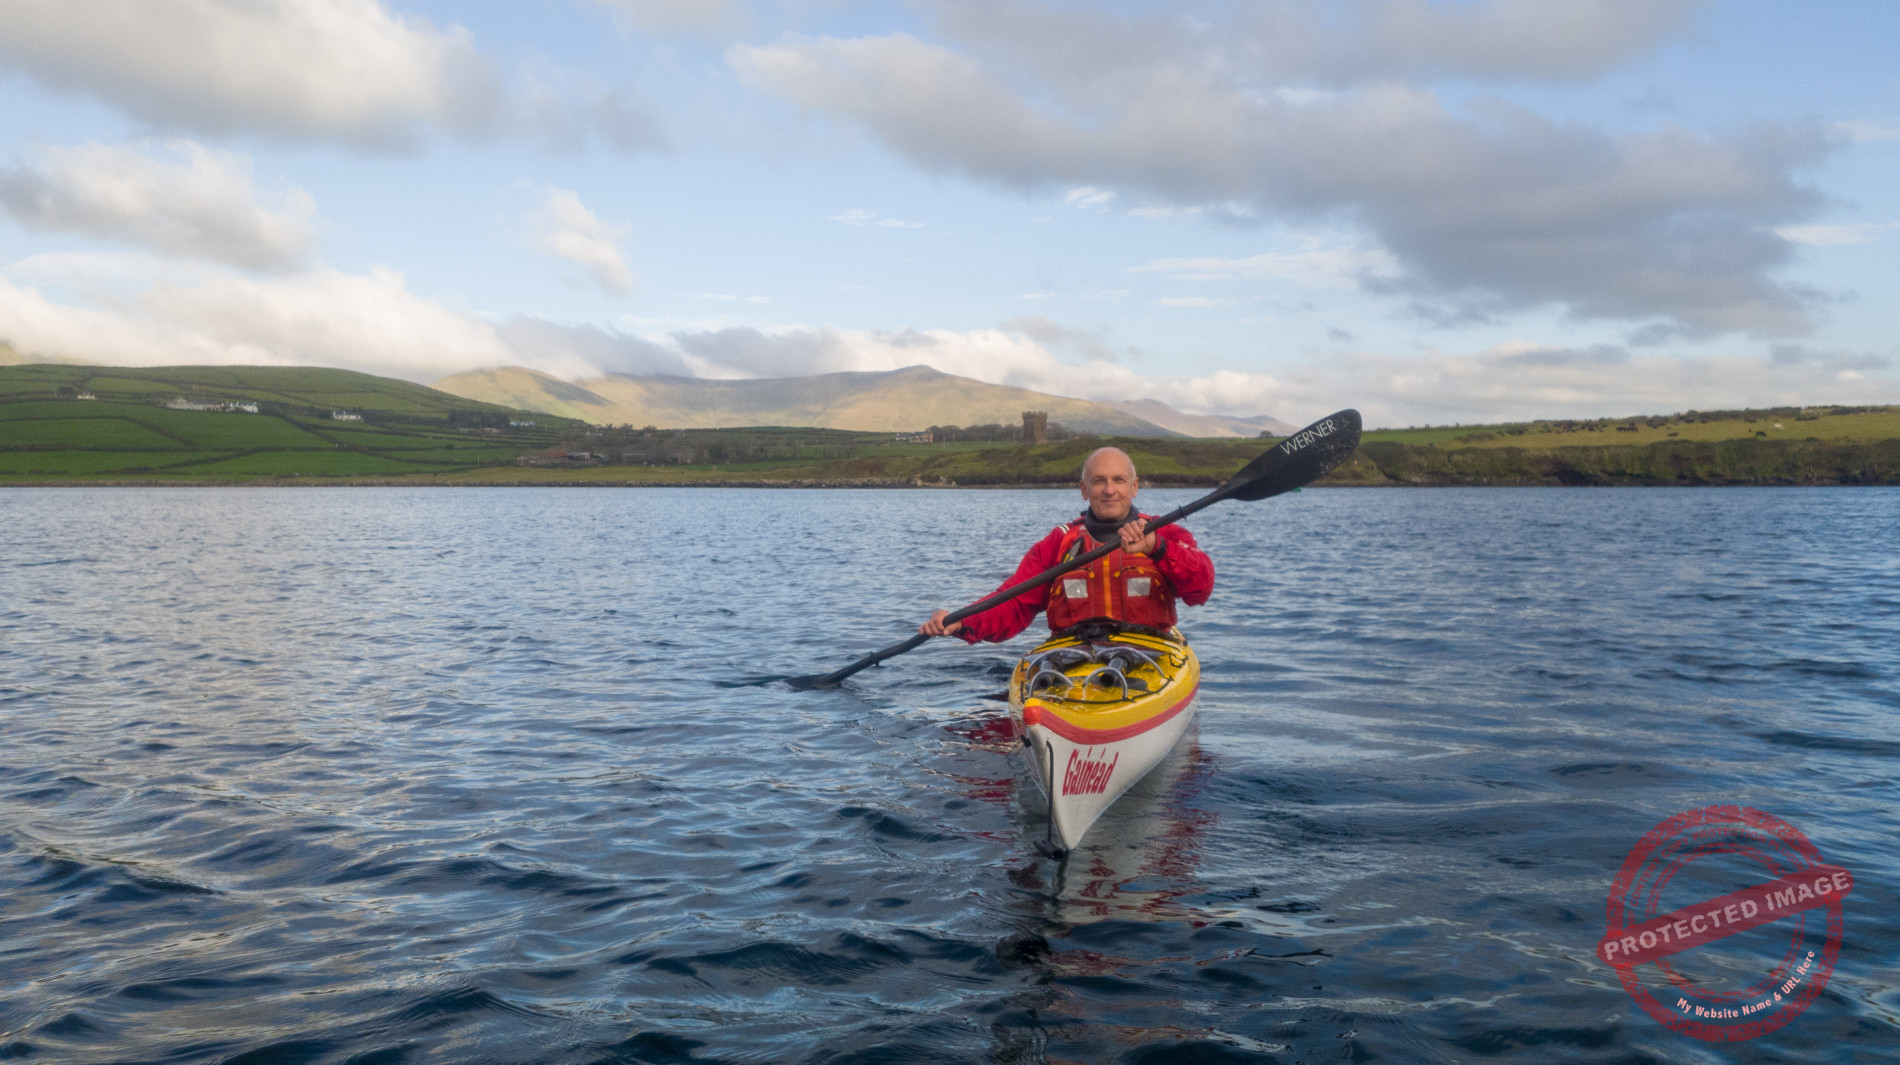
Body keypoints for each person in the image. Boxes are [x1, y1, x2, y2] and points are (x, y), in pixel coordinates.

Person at [918, 446, 1215, 644]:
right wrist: (960, 621)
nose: (1109, 490)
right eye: (1098, 481)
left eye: (1119, 480)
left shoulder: (1167, 535)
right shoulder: (1058, 543)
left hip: (1150, 655)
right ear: (1084, 490)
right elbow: (1014, 602)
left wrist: (1158, 548)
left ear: (1134, 487)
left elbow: (1200, 590)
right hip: (1072, 660)